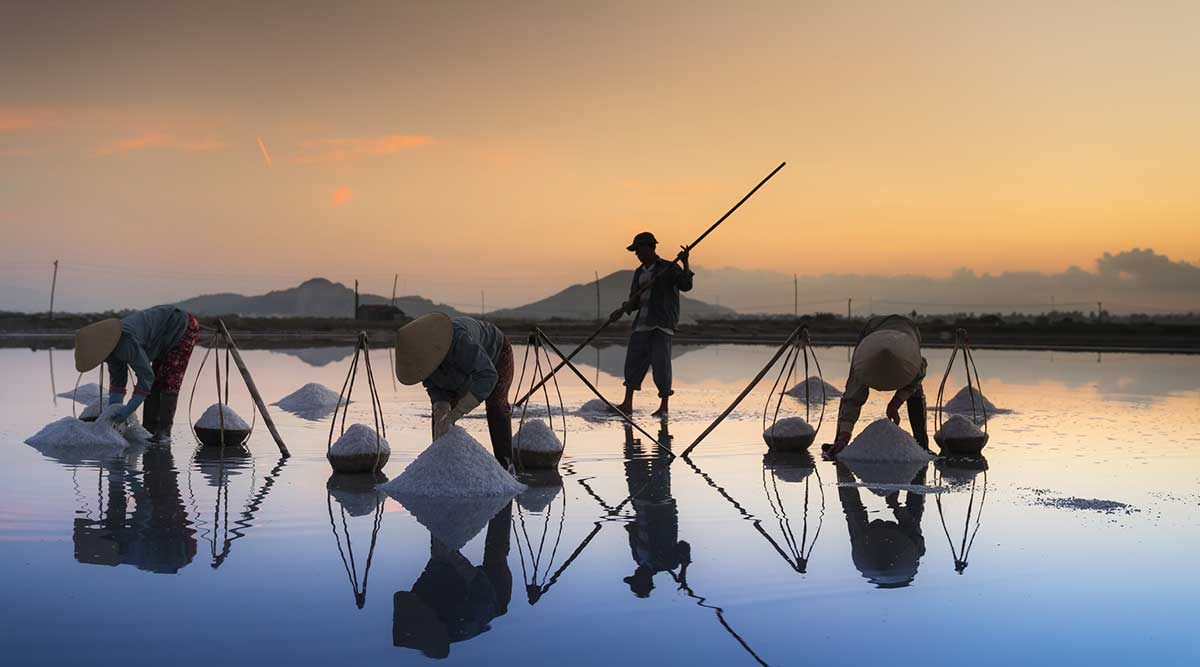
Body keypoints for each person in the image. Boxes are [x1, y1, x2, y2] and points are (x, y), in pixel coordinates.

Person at [392, 504, 513, 659]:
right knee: (496, 551)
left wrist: (440, 546)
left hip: (455, 591)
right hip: (495, 595)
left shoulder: (416, 607)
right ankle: (505, 499)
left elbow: (433, 570)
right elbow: (479, 582)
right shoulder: (466, 622)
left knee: (442, 544)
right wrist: (454, 557)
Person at [395, 313, 514, 466]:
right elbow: (435, 388)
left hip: (495, 353)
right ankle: (439, 463)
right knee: (441, 418)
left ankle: (506, 465)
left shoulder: (460, 341)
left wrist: (457, 413)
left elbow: (488, 376)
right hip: (458, 368)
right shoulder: (423, 362)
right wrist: (441, 409)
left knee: (496, 405)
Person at [73, 305, 200, 441]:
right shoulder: (109, 350)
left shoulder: (125, 343)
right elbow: (118, 382)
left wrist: (129, 410)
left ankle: (163, 433)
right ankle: (149, 430)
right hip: (160, 338)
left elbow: (146, 376)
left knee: (169, 381)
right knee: (155, 383)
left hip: (181, 327)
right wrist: (113, 412)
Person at [609, 231, 694, 417]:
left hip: (661, 324)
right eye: (635, 250)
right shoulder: (639, 272)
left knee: (661, 365)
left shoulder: (668, 267)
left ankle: (664, 407)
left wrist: (685, 262)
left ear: (650, 247)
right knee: (633, 362)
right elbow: (635, 300)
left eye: (638, 249)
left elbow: (686, 285)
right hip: (642, 324)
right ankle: (627, 403)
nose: (636, 253)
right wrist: (622, 310)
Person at [825, 314, 928, 457]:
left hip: (908, 331)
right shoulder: (864, 361)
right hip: (873, 331)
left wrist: (895, 403)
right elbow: (852, 398)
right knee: (853, 389)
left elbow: (915, 380)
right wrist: (845, 435)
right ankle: (839, 442)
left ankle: (922, 445)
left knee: (916, 391)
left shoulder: (911, 361)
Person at [621, 422, 691, 597]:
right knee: (662, 459)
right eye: (637, 579)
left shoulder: (637, 558)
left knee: (632, 461)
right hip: (662, 504)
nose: (635, 574)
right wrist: (683, 571)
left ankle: (629, 428)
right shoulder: (669, 563)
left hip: (641, 503)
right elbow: (684, 546)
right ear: (647, 581)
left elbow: (632, 530)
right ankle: (664, 428)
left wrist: (630, 527)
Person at [834, 461, 927, 588]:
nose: (883, 522)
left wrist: (895, 505)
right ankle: (842, 469)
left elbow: (912, 525)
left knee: (914, 511)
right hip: (871, 551)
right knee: (852, 510)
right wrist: (895, 505)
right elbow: (852, 511)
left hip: (885, 551)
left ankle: (920, 466)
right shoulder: (865, 563)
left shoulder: (910, 558)